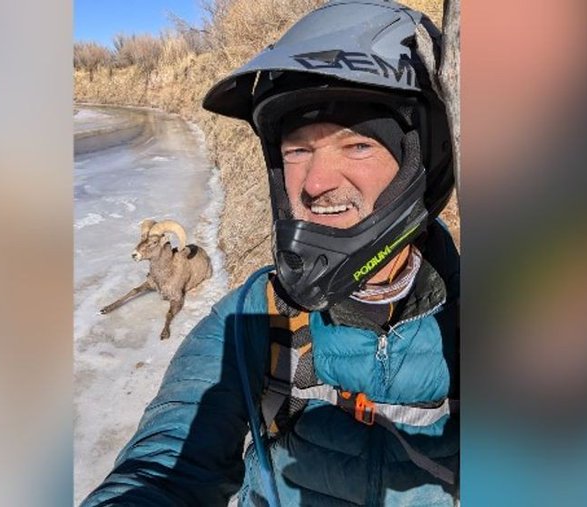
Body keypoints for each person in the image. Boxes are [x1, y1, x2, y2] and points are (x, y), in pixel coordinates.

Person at [81, 1, 458, 505]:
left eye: (357, 146)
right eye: (297, 150)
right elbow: (170, 456)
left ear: (422, 162)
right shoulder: (254, 316)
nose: (316, 183)